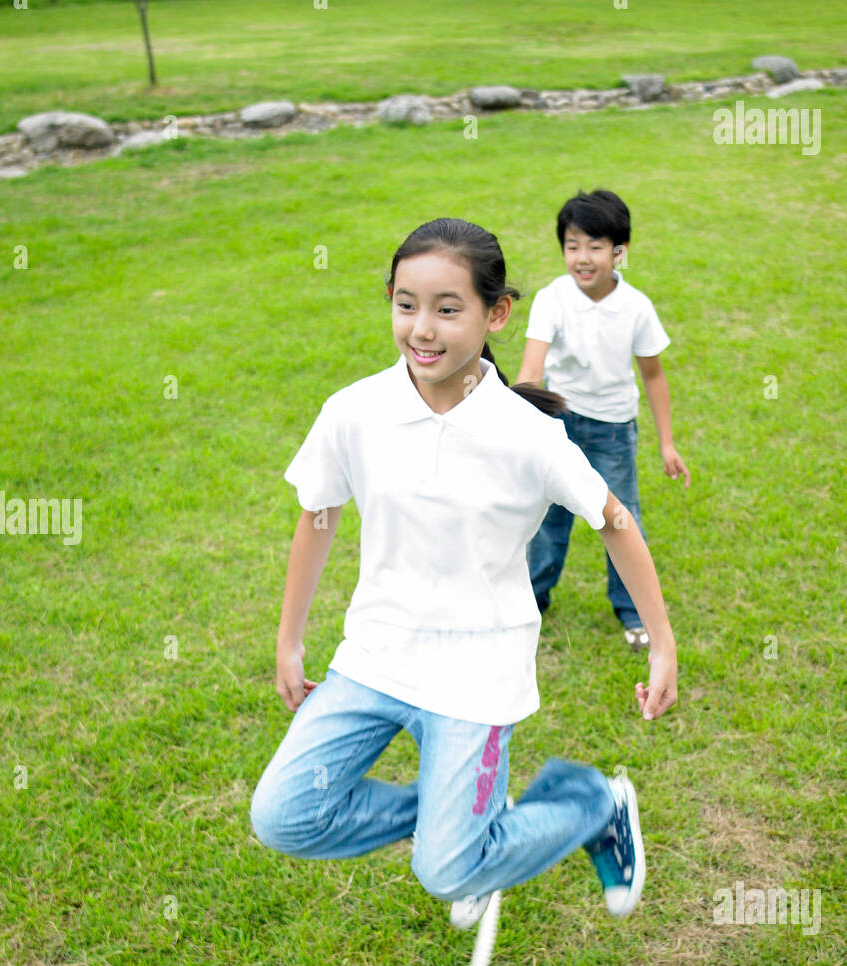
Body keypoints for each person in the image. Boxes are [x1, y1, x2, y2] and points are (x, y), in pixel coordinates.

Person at [249, 218, 678, 928]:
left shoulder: (528, 434)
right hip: (375, 659)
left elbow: (614, 520)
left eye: (448, 309)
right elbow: (318, 515)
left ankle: (594, 804)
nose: (423, 328)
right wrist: (290, 639)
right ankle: (465, 817)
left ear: (496, 313)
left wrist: (661, 641)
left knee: (446, 869)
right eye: (406, 304)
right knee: (284, 815)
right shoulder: (354, 412)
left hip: (476, 672)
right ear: (389, 299)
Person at [518, 189, 689, 653]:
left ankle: (633, 612)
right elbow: (532, 370)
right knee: (548, 518)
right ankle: (531, 601)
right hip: (560, 423)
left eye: (595, 246)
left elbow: (653, 375)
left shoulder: (636, 307)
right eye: (572, 246)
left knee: (618, 517)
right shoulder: (552, 298)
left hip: (613, 428)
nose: (582, 257)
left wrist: (666, 443)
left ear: (619, 252)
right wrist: (523, 425)